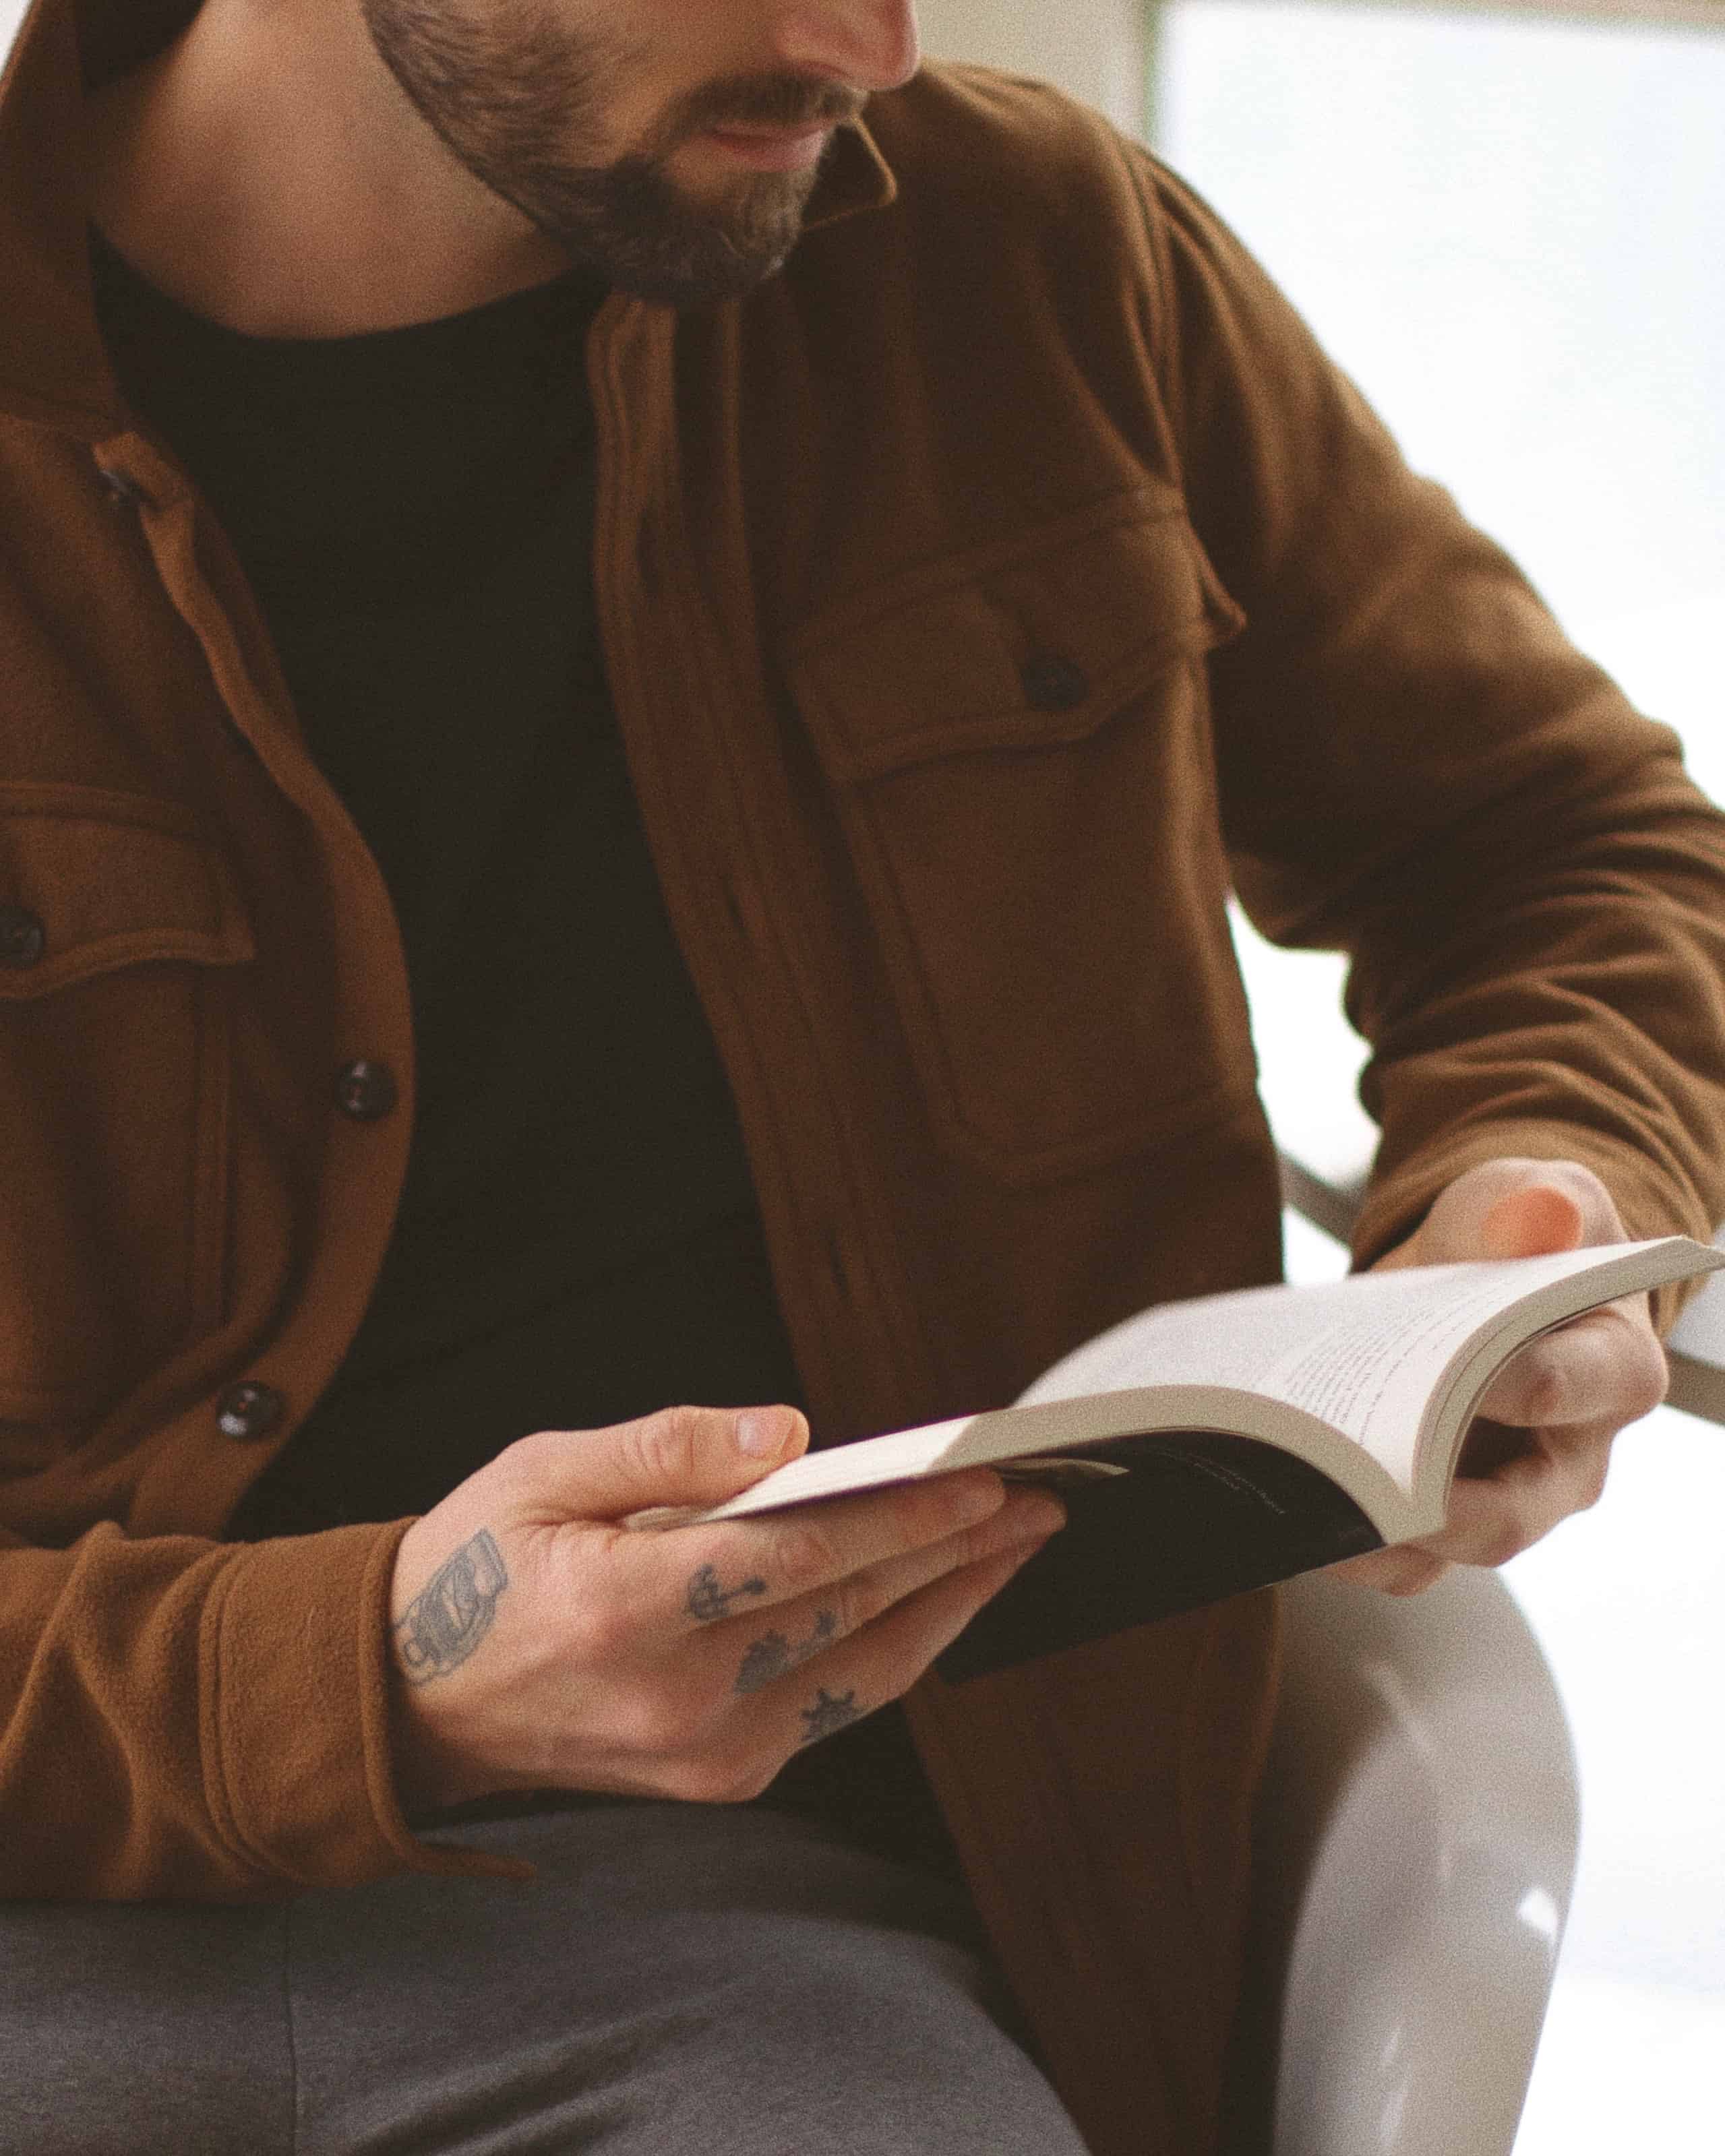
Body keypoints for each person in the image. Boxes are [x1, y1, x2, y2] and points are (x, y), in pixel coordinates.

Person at [1, 0, 1720, 2149]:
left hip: (782, 1942)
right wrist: (382, 1677)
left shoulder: (1022, 265)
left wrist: (1539, 1178)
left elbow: (1555, 836)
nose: (873, 44)